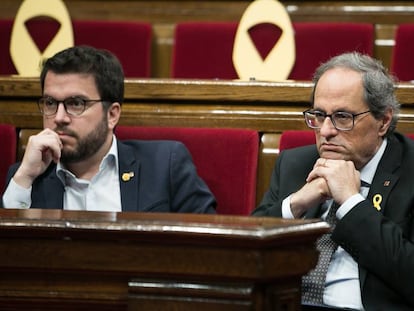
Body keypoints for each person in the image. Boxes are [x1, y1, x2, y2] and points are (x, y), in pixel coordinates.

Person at [252, 52, 414, 310]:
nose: (326, 131)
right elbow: (247, 249)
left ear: (383, 121)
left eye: (342, 117)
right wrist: (295, 204)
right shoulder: (295, 164)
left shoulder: (410, 168)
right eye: (319, 115)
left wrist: (351, 204)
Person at [1, 45, 216, 214]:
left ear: (112, 114)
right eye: (50, 103)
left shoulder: (165, 166)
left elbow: (211, 249)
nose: (59, 118)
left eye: (76, 103)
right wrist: (23, 179)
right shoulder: (27, 177)